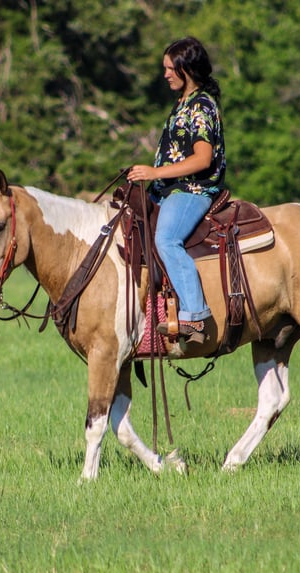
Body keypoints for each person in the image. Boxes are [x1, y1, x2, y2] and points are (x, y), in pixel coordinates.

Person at [128, 37, 225, 344]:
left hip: (193, 190)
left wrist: (155, 172)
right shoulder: (182, 104)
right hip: (168, 190)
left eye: (171, 68)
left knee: (167, 239)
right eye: (165, 68)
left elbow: (202, 158)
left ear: (188, 70)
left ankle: (195, 317)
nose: (166, 74)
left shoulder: (201, 107)